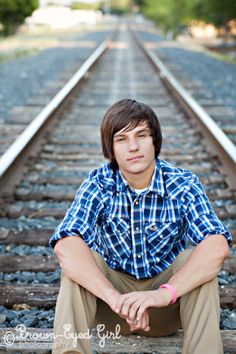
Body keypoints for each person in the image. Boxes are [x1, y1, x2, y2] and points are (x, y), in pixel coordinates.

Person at [49, 98, 232, 354]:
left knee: (197, 259)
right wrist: (114, 298)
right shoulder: (99, 183)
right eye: (122, 139)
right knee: (79, 259)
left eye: (141, 135)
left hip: (164, 310)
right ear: (111, 149)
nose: (133, 147)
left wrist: (161, 295)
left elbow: (217, 246)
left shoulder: (183, 184)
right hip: (112, 311)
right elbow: (65, 245)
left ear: (154, 140)